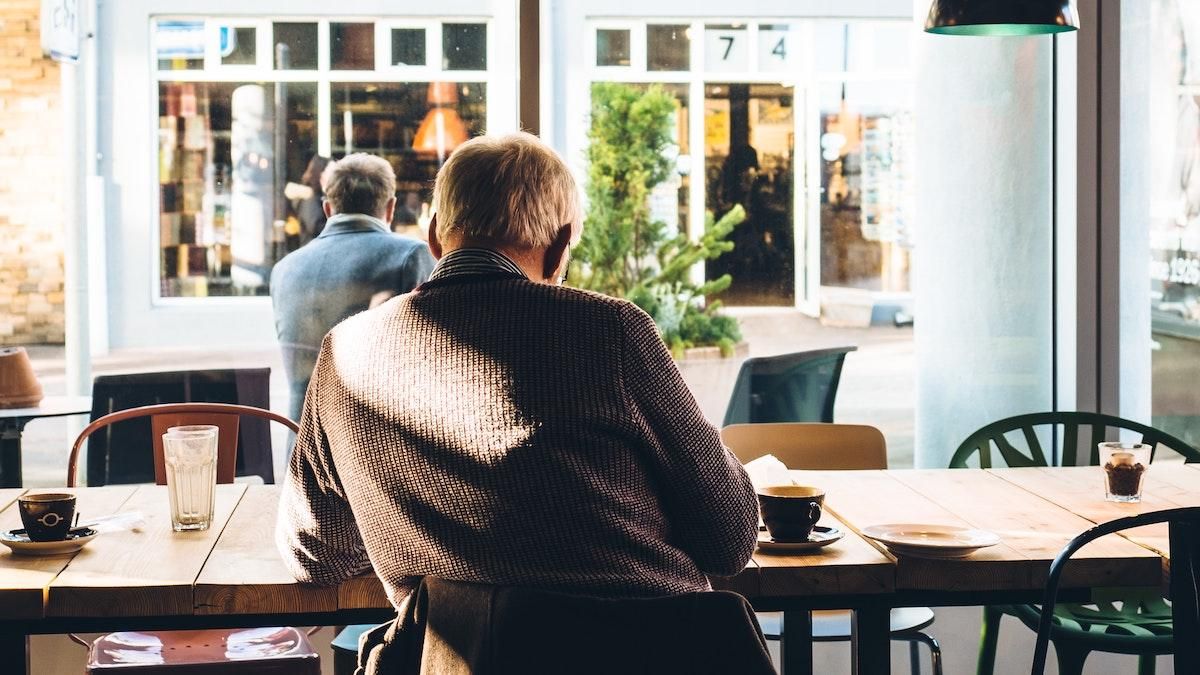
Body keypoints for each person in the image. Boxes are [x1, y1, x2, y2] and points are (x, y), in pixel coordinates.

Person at [276, 132, 759, 607]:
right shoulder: (612, 331)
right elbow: (729, 538)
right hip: (653, 654)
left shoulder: (345, 352)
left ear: (434, 236)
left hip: (457, 660)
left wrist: (412, 523)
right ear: (560, 245)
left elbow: (315, 555)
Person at [270, 153, 435, 423]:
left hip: (301, 446)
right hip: (372, 447)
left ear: (327, 209)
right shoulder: (410, 256)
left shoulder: (284, 269)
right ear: (391, 208)